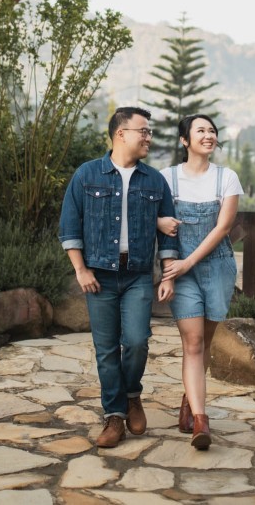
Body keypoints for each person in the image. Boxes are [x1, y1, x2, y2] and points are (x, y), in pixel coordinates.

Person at [59, 106, 179, 448]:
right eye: (144, 131)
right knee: (106, 349)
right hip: (99, 275)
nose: (149, 137)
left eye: (150, 132)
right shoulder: (87, 174)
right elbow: (69, 226)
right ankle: (114, 416)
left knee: (137, 341)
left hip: (137, 274)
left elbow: (169, 234)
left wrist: (168, 275)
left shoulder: (154, 180)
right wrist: (81, 269)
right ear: (120, 133)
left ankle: (131, 394)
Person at [158, 113, 242, 450]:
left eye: (212, 131)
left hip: (216, 267)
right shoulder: (167, 179)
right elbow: (157, 222)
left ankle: (189, 400)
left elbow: (223, 228)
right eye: (201, 130)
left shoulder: (227, 178)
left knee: (205, 343)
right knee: (192, 343)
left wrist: (188, 263)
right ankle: (200, 421)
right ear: (184, 140)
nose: (208, 135)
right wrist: (171, 265)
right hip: (181, 271)